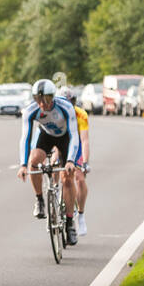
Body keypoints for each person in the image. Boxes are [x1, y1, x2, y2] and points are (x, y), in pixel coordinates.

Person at [16, 78, 83, 246]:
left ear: (52, 97)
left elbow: (75, 135)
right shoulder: (31, 111)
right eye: (38, 100)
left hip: (66, 138)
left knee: (67, 178)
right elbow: (25, 138)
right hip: (46, 135)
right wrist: (23, 165)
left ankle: (69, 224)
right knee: (34, 160)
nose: (42, 104)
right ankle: (39, 200)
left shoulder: (66, 107)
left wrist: (69, 161)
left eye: (45, 99)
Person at [60, 86, 91, 236]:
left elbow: (84, 140)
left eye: (71, 102)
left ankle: (81, 215)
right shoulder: (55, 113)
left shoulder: (81, 114)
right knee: (56, 171)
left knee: (79, 179)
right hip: (59, 145)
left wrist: (85, 162)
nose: (68, 106)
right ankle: (55, 197)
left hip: (76, 145)